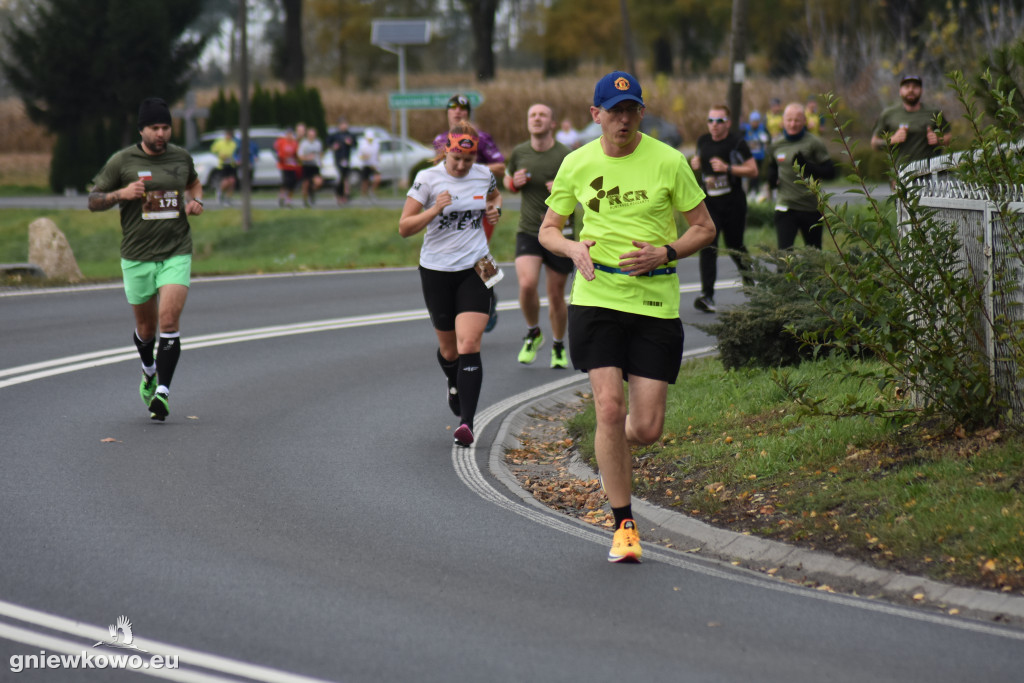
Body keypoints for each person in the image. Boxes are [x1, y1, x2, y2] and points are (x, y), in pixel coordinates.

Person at [538, 71, 716, 563]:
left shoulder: (669, 161)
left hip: (655, 303)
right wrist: (573, 247)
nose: (623, 119)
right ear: (595, 114)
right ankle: (624, 526)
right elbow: (547, 231)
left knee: (647, 427)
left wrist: (666, 251)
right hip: (597, 298)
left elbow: (704, 228)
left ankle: (608, 444)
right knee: (609, 408)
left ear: (641, 112)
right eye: (613, 111)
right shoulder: (576, 163)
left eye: (631, 109)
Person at [87, 97, 205, 421]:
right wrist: (120, 195)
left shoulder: (181, 157)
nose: (161, 133)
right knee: (146, 328)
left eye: (165, 127)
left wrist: (197, 202)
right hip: (137, 255)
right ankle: (149, 369)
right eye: (154, 127)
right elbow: (93, 200)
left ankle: (163, 394)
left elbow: (194, 183)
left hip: (175, 250)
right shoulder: (122, 161)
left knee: (169, 321)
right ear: (142, 129)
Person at [399, 122, 503, 448]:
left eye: (468, 159)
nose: (461, 166)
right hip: (436, 270)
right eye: (456, 158)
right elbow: (404, 227)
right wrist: (434, 209)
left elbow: (496, 195)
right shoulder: (427, 180)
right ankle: (453, 383)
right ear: (446, 150)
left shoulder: (484, 175)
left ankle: (467, 424)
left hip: (477, 266)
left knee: (469, 343)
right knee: (449, 350)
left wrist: (494, 209)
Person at [505, 103, 574, 368]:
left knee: (556, 295)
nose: (536, 118)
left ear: (552, 123)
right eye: (532, 114)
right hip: (530, 229)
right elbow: (508, 182)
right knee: (526, 284)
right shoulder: (520, 152)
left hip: (559, 231)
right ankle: (533, 332)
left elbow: (582, 191)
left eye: (542, 115)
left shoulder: (566, 155)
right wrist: (514, 183)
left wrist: (561, 188)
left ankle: (557, 346)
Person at [432, 94, 505, 331]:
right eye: (453, 109)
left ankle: (490, 296)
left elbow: (500, 165)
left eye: (463, 109)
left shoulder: (480, 138)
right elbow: (437, 170)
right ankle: (459, 304)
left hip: (479, 208)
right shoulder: (440, 140)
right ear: (447, 113)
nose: (458, 113)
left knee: (478, 254)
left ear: (468, 114)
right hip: (452, 209)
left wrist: (471, 167)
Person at [689, 104, 758, 313]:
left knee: (735, 245)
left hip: (734, 202)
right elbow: (700, 162)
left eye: (719, 121)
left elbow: (753, 170)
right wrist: (696, 163)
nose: (714, 125)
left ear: (727, 123)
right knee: (708, 245)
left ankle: (752, 286)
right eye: (710, 120)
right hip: (710, 204)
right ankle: (707, 295)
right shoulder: (703, 141)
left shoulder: (736, 142)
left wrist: (727, 168)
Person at [763, 102, 836, 250]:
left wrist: (808, 166)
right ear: (782, 122)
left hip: (810, 207)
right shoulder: (776, 145)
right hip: (785, 206)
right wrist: (771, 179)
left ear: (804, 121)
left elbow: (830, 172)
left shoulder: (814, 143)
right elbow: (772, 166)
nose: (793, 124)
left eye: (797, 120)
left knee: (814, 256)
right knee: (784, 256)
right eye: (789, 120)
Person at [870, 73, 951, 165]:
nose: (911, 90)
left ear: (921, 90)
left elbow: (948, 137)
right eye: (907, 87)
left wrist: (938, 139)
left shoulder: (933, 113)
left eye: (915, 87)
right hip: (900, 173)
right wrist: (892, 140)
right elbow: (874, 144)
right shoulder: (888, 114)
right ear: (900, 91)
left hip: (929, 173)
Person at [741, 110, 771, 201]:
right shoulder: (745, 129)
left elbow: (768, 139)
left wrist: (765, 139)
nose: (755, 123)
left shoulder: (762, 129)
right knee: (749, 174)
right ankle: (750, 191)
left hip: (759, 156)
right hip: (749, 157)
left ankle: (756, 191)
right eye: (753, 121)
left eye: (756, 121)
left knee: (757, 174)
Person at [327, 118, 356, 205]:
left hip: (346, 159)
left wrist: (350, 143)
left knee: (345, 177)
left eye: (346, 124)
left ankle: (345, 195)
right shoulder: (335, 136)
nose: (344, 126)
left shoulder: (349, 135)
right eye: (342, 124)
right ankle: (338, 195)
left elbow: (355, 145)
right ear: (339, 125)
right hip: (338, 159)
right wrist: (333, 147)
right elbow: (328, 144)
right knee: (340, 178)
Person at [273, 128, 301, 208]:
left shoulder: (294, 143)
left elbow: (296, 153)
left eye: (291, 134)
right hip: (284, 165)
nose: (289, 136)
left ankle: (289, 199)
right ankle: (281, 195)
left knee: (293, 183)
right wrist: (280, 157)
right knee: (286, 181)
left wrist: (297, 161)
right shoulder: (281, 142)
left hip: (292, 165)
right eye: (288, 134)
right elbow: (276, 150)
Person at [210, 128, 238, 205]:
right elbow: (213, 150)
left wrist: (236, 160)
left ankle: (228, 198)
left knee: (232, 181)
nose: (229, 137)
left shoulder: (233, 144)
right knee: (225, 181)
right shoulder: (220, 142)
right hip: (223, 164)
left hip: (231, 164)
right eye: (228, 135)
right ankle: (220, 192)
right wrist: (220, 155)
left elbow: (235, 153)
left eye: (230, 136)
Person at [298, 126, 324, 207]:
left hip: (315, 165)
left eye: (313, 135)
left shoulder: (318, 143)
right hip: (306, 165)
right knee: (306, 184)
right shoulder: (304, 143)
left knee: (318, 182)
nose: (312, 136)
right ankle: (305, 199)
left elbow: (320, 153)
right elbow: (300, 156)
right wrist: (307, 158)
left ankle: (311, 193)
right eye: (310, 135)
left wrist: (320, 161)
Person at [355, 130, 381, 201]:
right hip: (365, 165)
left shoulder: (376, 144)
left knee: (377, 178)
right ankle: (363, 195)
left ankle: (372, 191)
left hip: (374, 164)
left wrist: (377, 162)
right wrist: (364, 157)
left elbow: (377, 154)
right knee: (365, 181)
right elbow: (359, 155)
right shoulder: (363, 145)